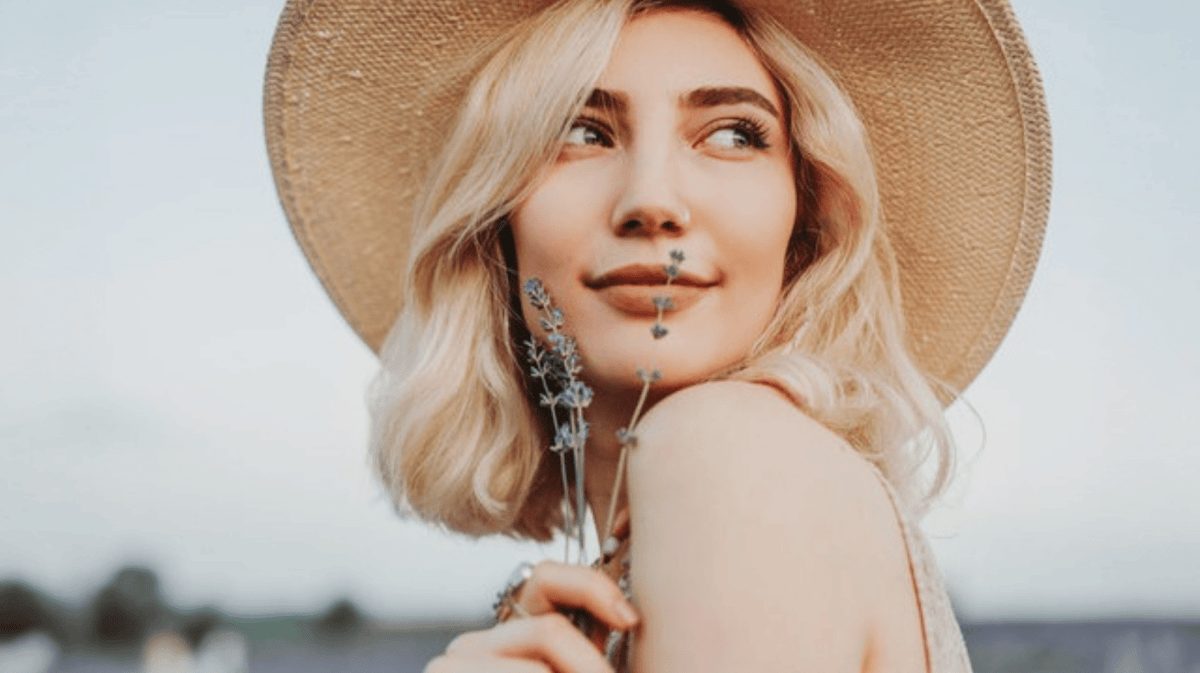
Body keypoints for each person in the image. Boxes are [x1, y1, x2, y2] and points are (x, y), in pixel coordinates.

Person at [263, 0, 1051, 670]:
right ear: (496, 229)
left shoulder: (729, 449)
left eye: (734, 133)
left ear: (806, 227)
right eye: (581, 131)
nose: (651, 200)